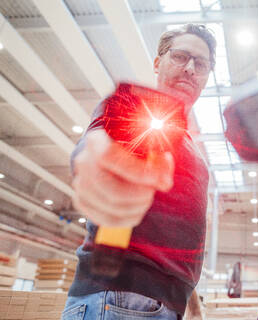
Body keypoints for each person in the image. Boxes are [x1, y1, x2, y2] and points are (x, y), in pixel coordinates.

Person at [62, 24, 215, 320]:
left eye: (201, 63)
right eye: (180, 56)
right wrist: (98, 166)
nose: (190, 68)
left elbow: (173, 238)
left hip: (165, 304)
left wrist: (192, 301)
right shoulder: (135, 109)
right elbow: (96, 145)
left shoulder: (190, 146)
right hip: (120, 298)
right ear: (158, 63)